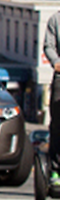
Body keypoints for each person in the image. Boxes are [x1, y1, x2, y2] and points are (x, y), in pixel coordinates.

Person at [44, 10, 60, 186]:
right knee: (57, 124)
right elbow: (48, 46)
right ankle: (56, 170)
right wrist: (56, 62)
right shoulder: (55, 20)